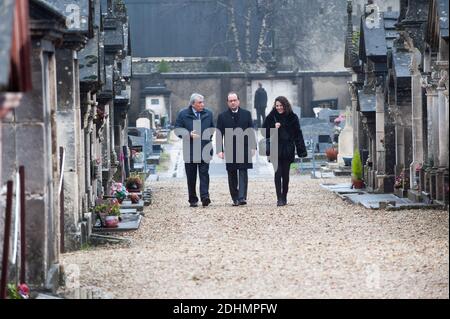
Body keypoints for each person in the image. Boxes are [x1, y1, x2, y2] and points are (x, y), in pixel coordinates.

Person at [263, 96, 307, 207]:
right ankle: (279, 199)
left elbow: (298, 134)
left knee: (285, 175)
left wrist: (301, 150)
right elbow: (264, 132)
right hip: (275, 149)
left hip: (287, 149)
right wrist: (273, 127)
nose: (279, 108)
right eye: (277, 106)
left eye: (281, 106)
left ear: (285, 105)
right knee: (277, 173)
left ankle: (284, 196)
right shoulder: (271, 116)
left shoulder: (292, 117)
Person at [175, 93, 215, 207]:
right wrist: (188, 134)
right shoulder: (183, 114)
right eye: (200, 103)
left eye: (203, 102)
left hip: (204, 148)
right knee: (191, 176)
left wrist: (206, 140)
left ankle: (205, 197)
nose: (203, 104)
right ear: (193, 104)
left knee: (204, 175)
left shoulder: (208, 113)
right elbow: (177, 129)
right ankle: (193, 199)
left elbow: (212, 128)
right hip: (190, 150)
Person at [216, 92, 257, 206]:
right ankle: (235, 198)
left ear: (238, 101)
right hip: (230, 148)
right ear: (228, 103)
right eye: (230, 101)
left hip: (244, 147)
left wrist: (253, 146)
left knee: (243, 172)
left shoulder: (247, 114)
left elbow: (251, 131)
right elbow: (219, 134)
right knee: (232, 173)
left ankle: (242, 197)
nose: (233, 102)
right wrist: (220, 150)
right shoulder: (222, 116)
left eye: (235, 100)